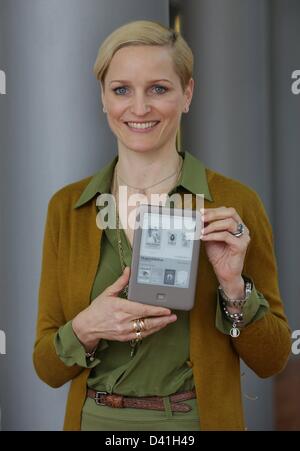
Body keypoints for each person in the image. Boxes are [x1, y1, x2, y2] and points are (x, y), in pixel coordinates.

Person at [33, 20, 291, 431]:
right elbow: (47, 367)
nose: (139, 108)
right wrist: (86, 328)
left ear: (187, 94)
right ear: (103, 97)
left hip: (194, 424)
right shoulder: (67, 208)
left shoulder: (235, 203)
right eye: (121, 90)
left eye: (158, 88)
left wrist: (234, 288)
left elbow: (272, 359)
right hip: (94, 422)